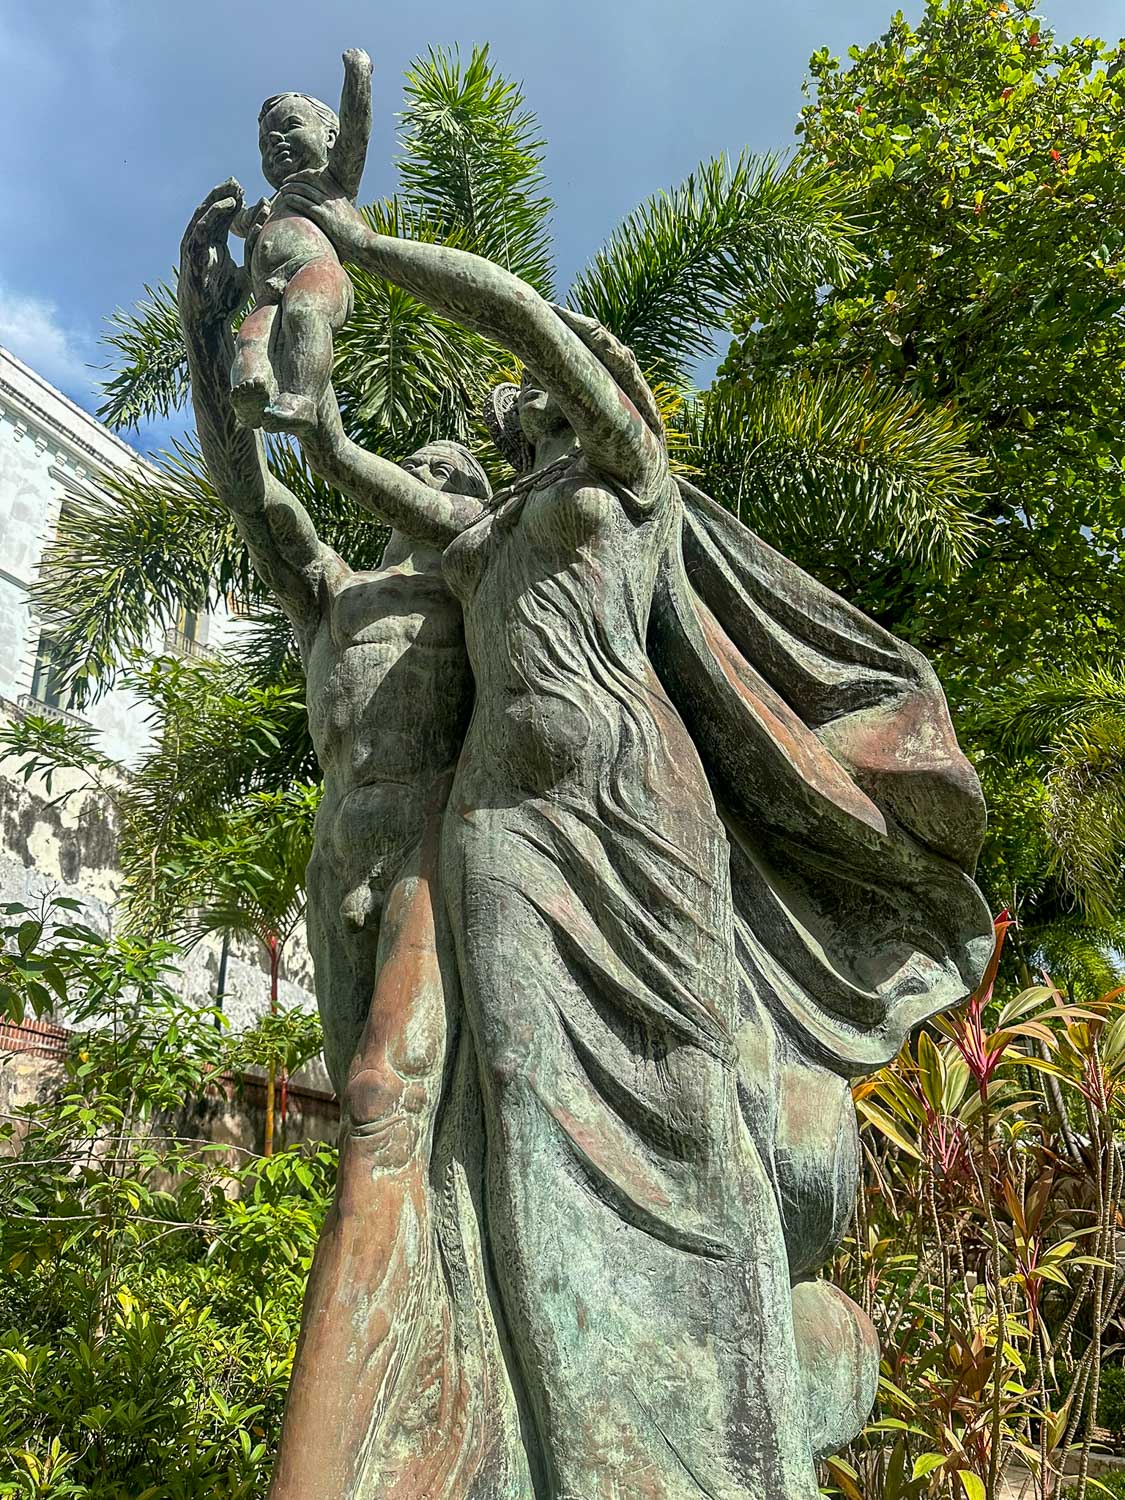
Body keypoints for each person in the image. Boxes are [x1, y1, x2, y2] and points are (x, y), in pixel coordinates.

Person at [269, 167, 995, 1499]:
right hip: (498, 827)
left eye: (538, 399)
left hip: (630, 813)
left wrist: (369, 247)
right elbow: (337, 473)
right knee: (529, 1124)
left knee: (681, 1102)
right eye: (516, 422)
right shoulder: (485, 527)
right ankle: (566, 1450)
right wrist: (297, 404)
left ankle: (721, 1444)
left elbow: (533, 327)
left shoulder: (626, 466)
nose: (523, 419)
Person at [228, 49, 371, 436]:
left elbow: (355, 136)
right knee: (250, 337)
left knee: (305, 313)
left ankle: (302, 398)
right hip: (268, 291)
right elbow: (238, 225)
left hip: (316, 270)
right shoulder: (267, 207)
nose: (275, 142)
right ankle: (252, 392)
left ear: (328, 135)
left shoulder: (328, 184)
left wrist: (358, 77)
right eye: (265, 141)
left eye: (291, 126)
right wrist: (234, 214)